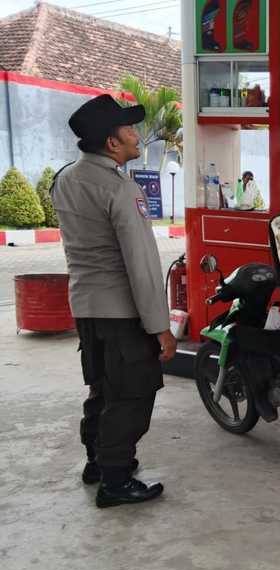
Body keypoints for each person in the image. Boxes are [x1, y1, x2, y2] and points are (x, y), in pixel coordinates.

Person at [51, 94, 174, 508]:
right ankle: (116, 482)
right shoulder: (119, 188)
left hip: (86, 307)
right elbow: (141, 264)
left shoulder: (65, 179)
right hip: (122, 312)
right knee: (131, 395)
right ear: (111, 143)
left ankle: (97, 463)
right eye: (129, 130)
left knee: (102, 388)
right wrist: (160, 327)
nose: (137, 135)